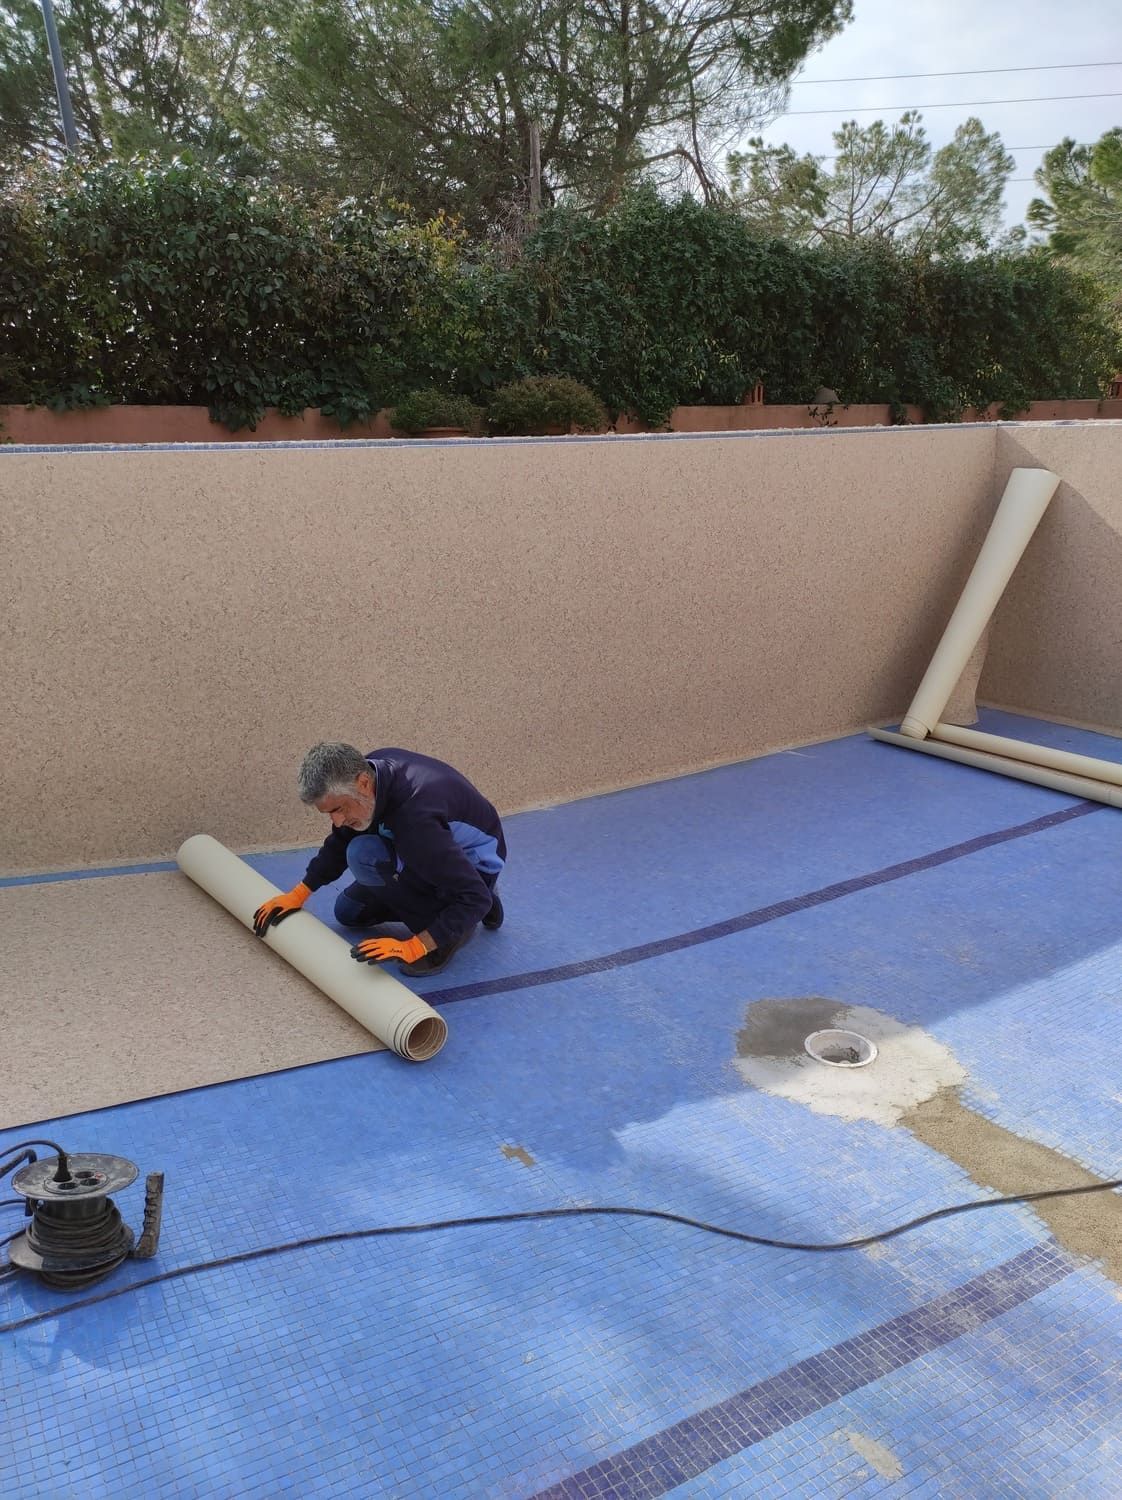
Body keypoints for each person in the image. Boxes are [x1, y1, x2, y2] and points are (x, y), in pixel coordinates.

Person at [252, 742, 505, 977]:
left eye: (338, 809)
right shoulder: (371, 773)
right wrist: (299, 894)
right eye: (329, 813)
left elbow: (475, 898)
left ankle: (447, 931)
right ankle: (459, 895)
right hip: (433, 854)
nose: (337, 821)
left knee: (364, 855)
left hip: (474, 865)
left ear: (363, 783)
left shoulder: (416, 819)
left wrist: (415, 946)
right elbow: (340, 840)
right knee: (349, 913)